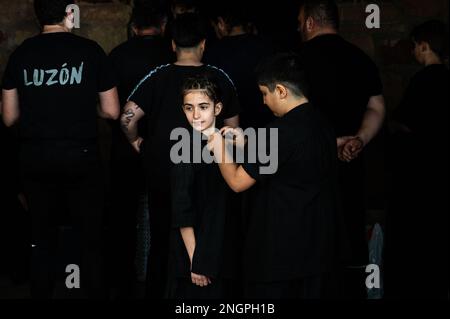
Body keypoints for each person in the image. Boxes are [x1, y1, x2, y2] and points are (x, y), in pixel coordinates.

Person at [1, 0, 119, 298]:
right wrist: (80, 104)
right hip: (81, 156)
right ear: (69, 14)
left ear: (38, 16)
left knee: (41, 237)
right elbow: (113, 112)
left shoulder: (21, 54)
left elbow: (9, 117)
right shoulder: (91, 50)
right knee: (90, 238)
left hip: (35, 157)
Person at [120, 12, 240, 298]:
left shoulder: (158, 76)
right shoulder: (219, 77)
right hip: (211, 174)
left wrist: (137, 141)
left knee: (163, 237)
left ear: (173, 44)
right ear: (203, 44)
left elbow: (126, 116)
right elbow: (234, 132)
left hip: (162, 170)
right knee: (211, 234)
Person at [208, 53, 341, 298]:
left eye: (264, 94)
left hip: (278, 257)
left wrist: (218, 145)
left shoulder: (279, 132)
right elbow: (291, 157)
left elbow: (237, 182)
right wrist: (249, 141)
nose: (264, 102)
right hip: (317, 252)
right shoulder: (322, 123)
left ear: (280, 90)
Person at [297, 0, 386, 298]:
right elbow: (376, 106)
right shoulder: (361, 59)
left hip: (304, 167)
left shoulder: (294, 60)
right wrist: (358, 139)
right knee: (347, 246)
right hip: (350, 164)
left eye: (300, 21)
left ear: (310, 22)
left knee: (307, 244)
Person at [107, 3, 174, 298]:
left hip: (126, 149)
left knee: (122, 218)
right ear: (163, 24)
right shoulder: (171, 56)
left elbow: (109, 109)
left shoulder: (117, 55)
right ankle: (162, 283)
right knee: (169, 217)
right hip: (167, 151)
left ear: (134, 27)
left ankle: (122, 283)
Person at [385, 20, 449, 299]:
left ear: (424, 46)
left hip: (419, 178)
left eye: (414, 46)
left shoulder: (423, 81)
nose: (413, 52)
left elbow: (403, 122)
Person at [170, 75, 238, 298]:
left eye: (203, 107)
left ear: (217, 108)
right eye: (189, 108)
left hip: (224, 244)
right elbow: (182, 210)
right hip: (199, 250)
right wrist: (196, 260)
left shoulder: (231, 142)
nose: (196, 115)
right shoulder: (185, 148)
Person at [204, 1, 276, 129]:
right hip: (267, 126)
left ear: (220, 23)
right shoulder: (267, 47)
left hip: (229, 130)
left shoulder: (212, 54)